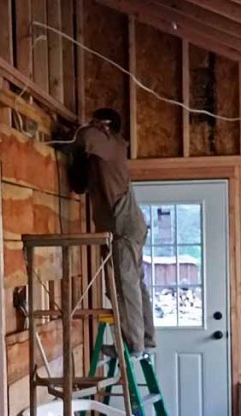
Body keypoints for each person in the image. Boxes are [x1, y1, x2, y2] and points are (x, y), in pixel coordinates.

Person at [69, 108, 155, 355]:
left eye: (98, 123)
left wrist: (88, 130)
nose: (93, 126)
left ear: (106, 127)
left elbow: (84, 138)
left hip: (123, 226)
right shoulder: (104, 155)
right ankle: (146, 339)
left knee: (124, 284)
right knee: (135, 283)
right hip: (126, 225)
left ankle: (133, 345)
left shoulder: (110, 143)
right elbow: (80, 185)